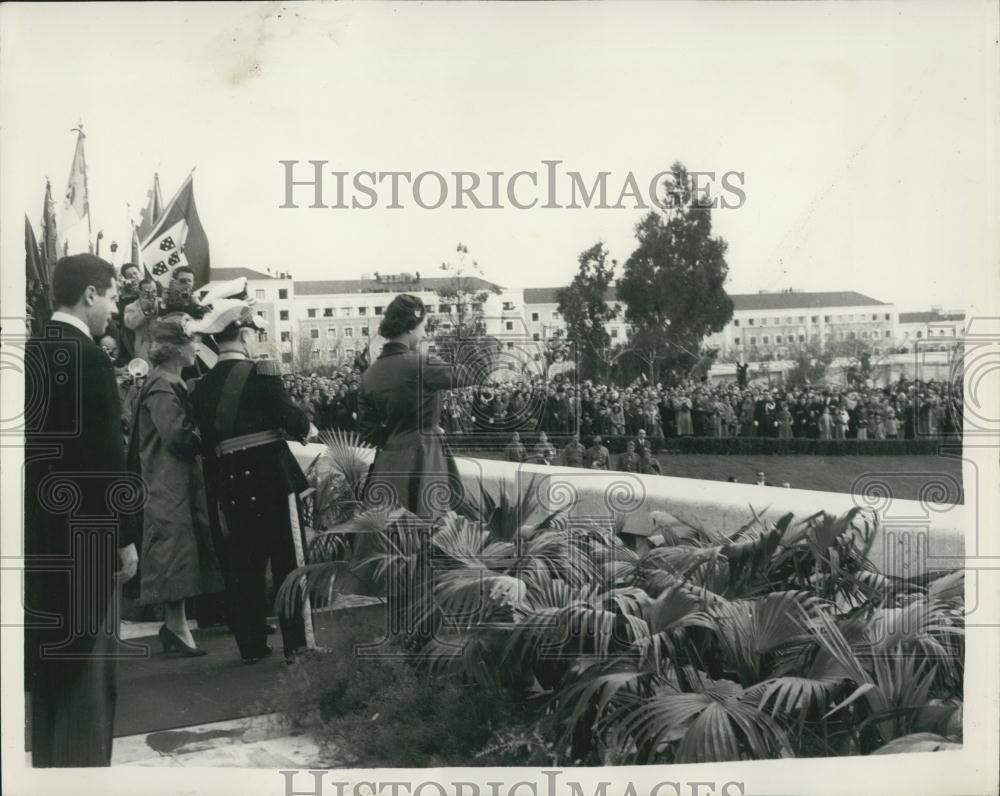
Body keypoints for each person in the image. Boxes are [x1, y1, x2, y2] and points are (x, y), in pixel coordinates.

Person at [24, 254, 139, 767]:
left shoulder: (29, 352)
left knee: (47, 677)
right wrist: (125, 538)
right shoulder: (90, 359)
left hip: (37, 539)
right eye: (113, 295)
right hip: (86, 542)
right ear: (89, 294)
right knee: (89, 683)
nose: (115, 308)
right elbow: (105, 459)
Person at [189, 300, 312, 665]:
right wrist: (306, 424)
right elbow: (294, 422)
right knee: (289, 561)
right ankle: (299, 646)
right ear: (244, 335)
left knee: (243, 564)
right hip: (272, 479)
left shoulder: (201, 386)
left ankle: (252, 645)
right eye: (254, 334)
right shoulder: (263, 373)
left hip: (230, 482)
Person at [130, 316, 224, 657]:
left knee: (178, 549)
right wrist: (206, 434)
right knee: (173, 548)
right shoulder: (163, 384)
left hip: (172, 479)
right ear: (175, 349)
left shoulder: (165, 381)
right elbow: (178, 437)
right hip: (167, 481)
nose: (195, 346)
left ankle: (176, 625)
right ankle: (177, 627)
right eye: (191, 341)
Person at [357, 294, 483, 517]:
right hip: (426, 458)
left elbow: (369, 433)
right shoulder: (421, 362)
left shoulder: (368, 375)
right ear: (409, 327)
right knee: (434, 528)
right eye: (423, 327)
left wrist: (397, 434)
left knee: (393, 536)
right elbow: (471, 374)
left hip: (388, 464)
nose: (424, 334)